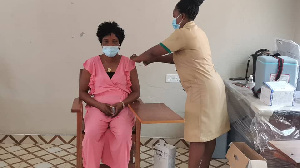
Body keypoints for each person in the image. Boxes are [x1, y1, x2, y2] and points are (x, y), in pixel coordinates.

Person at [130, 0, 230, 167]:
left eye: (174, 16)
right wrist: (153, 60)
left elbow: (155, 50)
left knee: (197, 136)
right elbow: (178, 57)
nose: (173, 19)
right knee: (210, 134)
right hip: (215, 87)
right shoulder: (197, 32)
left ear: (182, 16)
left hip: (202, 90)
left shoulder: (183, 33)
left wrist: (136, 58)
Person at [79, 21, 140, 168]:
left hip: (122, 107)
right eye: (106, 41)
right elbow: (82, 92)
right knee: (91, 133)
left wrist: (122, 104)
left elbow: (137, 92)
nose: (110, 45)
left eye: (114, 41)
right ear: (101, 42)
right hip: (97, 107)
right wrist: (99, 105)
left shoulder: (128, 64)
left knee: (123, 135)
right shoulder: (91, 63)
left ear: (120, 44)